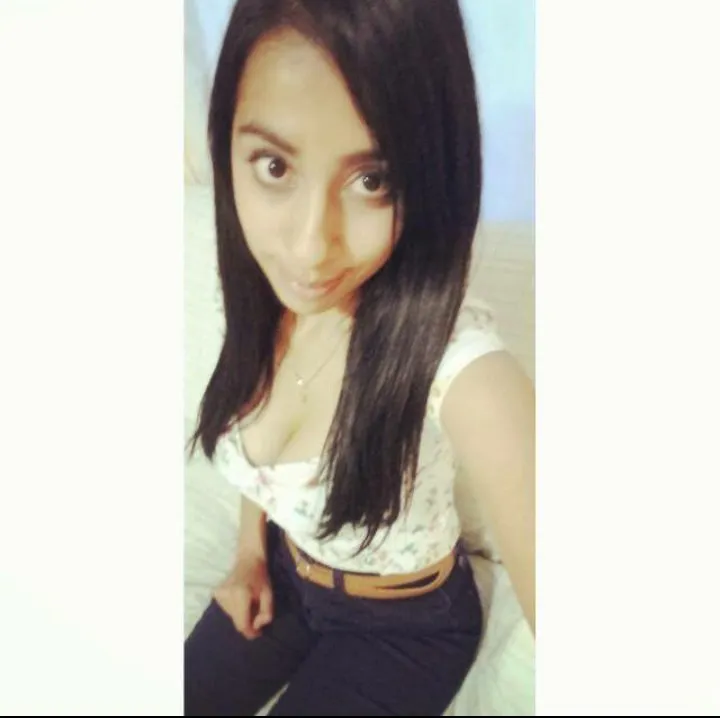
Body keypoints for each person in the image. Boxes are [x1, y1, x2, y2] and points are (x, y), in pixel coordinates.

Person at [184, 0, 535, 715]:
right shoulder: (258, 291)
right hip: (285, 575)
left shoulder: (461, 367)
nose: (312, 248)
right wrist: (250, 556)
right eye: (275, 165)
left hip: (405, 626)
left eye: (373, 180)